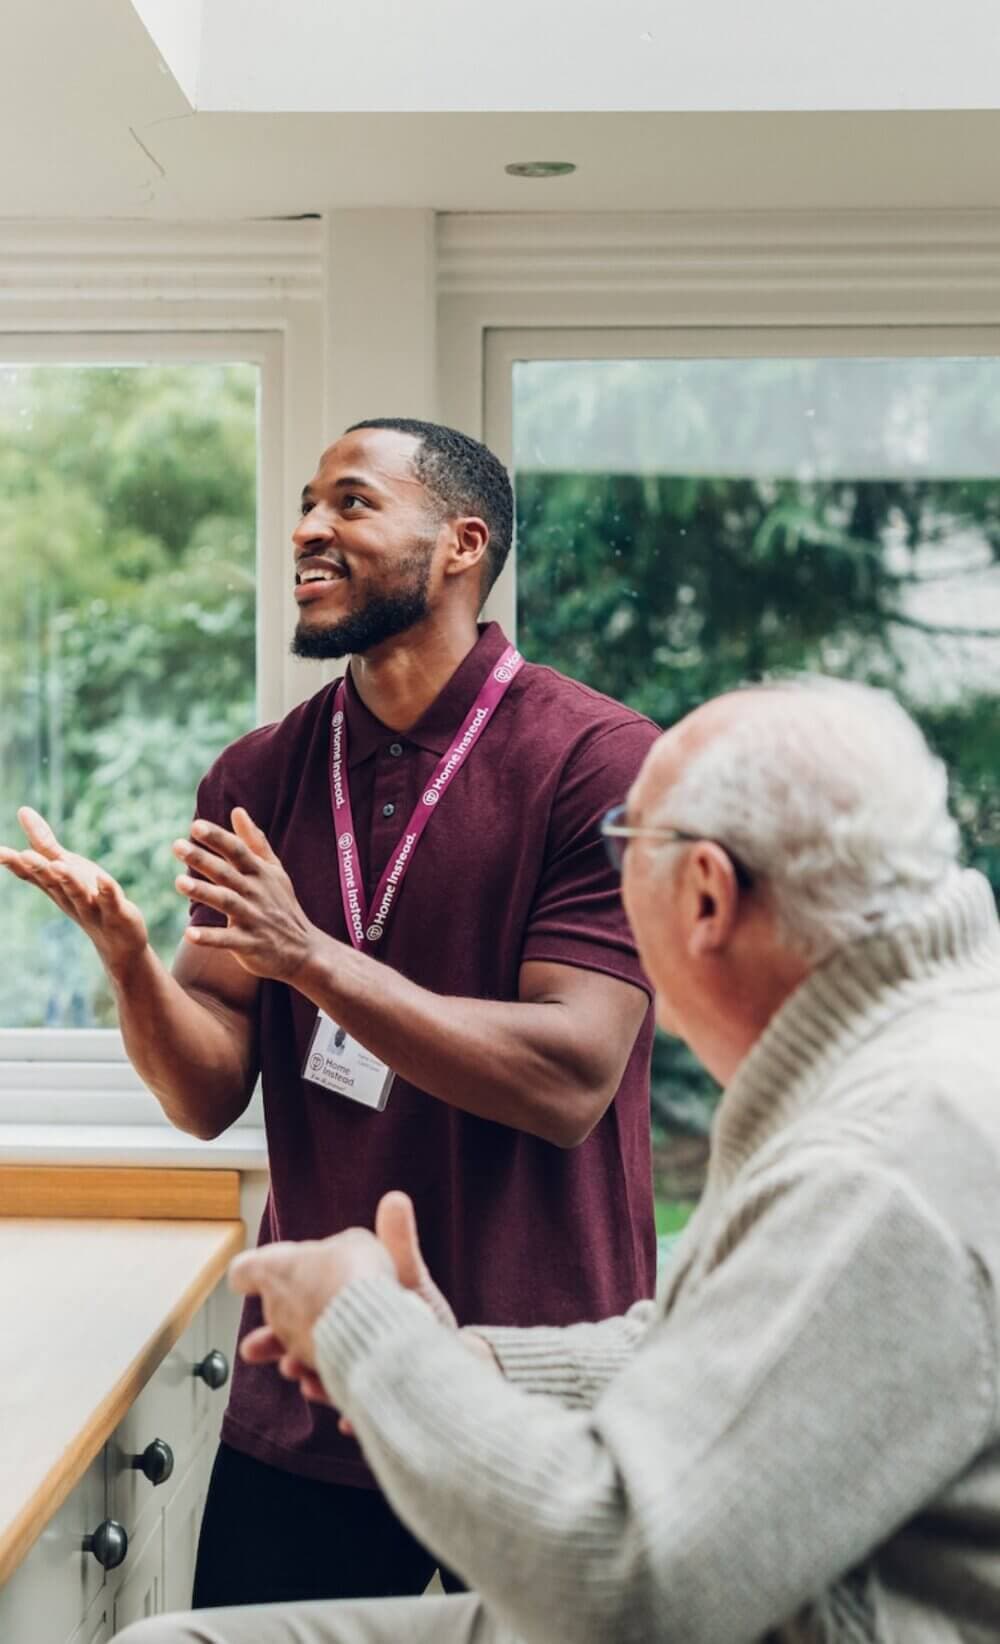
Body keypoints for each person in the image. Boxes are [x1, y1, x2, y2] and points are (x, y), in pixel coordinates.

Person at [119, 676, 1000, 1643]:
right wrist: (478, 1360)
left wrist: (368, 1336)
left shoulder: (880, 1162)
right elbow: (762, 1348)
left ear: (705, 894)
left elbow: (622, 1585)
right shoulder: (926, 1062)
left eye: (628, 855)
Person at [0, 419, 660, 1607]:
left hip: (534, 1400)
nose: (308, 529)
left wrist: (310, 955)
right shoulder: (258, 776)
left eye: (352, 504)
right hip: (309, 1397)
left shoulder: (599, 761)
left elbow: (570, 1080)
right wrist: (134, 966)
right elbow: (206, 1094)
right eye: (306, 503)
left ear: (461, 544)